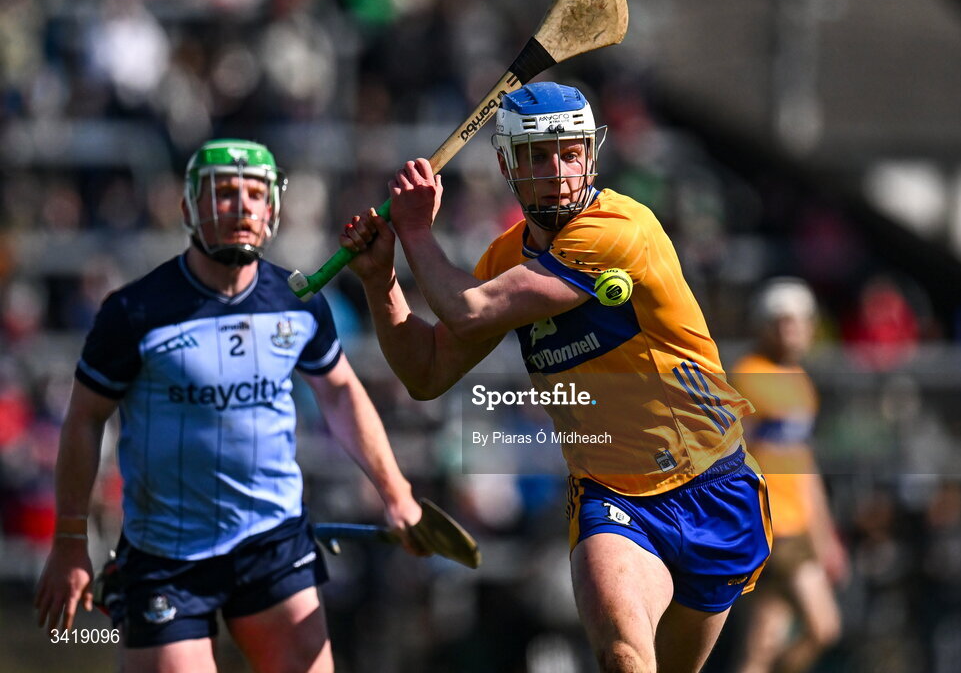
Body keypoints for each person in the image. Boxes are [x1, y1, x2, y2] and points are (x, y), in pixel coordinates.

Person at [339, 82, 772, 672]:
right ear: (507, 165)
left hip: (712, 485)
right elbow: (427, 372)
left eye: (569, 152)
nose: (559, 170)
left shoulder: (619, 228)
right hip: (613, 496)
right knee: (623, 653)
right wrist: (379, 281)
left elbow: (471, 310)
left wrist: (416, 232)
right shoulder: (502, 261)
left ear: (590, 153)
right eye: (539, 156)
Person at [34, 139, 424, 673]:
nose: (241, 205)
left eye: (254, 193)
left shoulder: (298, 301)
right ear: (189, 207)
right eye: (223, 193)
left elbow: (340, 393)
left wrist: (396, 493)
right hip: (166, 558)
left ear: (273, 209)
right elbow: (84, 420)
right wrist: (70, 541)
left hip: (273, 543)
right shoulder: (134, 312)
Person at [732, 278, 848, 673]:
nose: (793, 330)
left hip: (792, 526)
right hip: (773, 525)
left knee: (761, 644)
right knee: (823, 626)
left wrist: (824, 532)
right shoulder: (752, 377)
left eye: (799, 321)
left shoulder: (799, 383)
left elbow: (803, 467)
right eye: (783, 322)